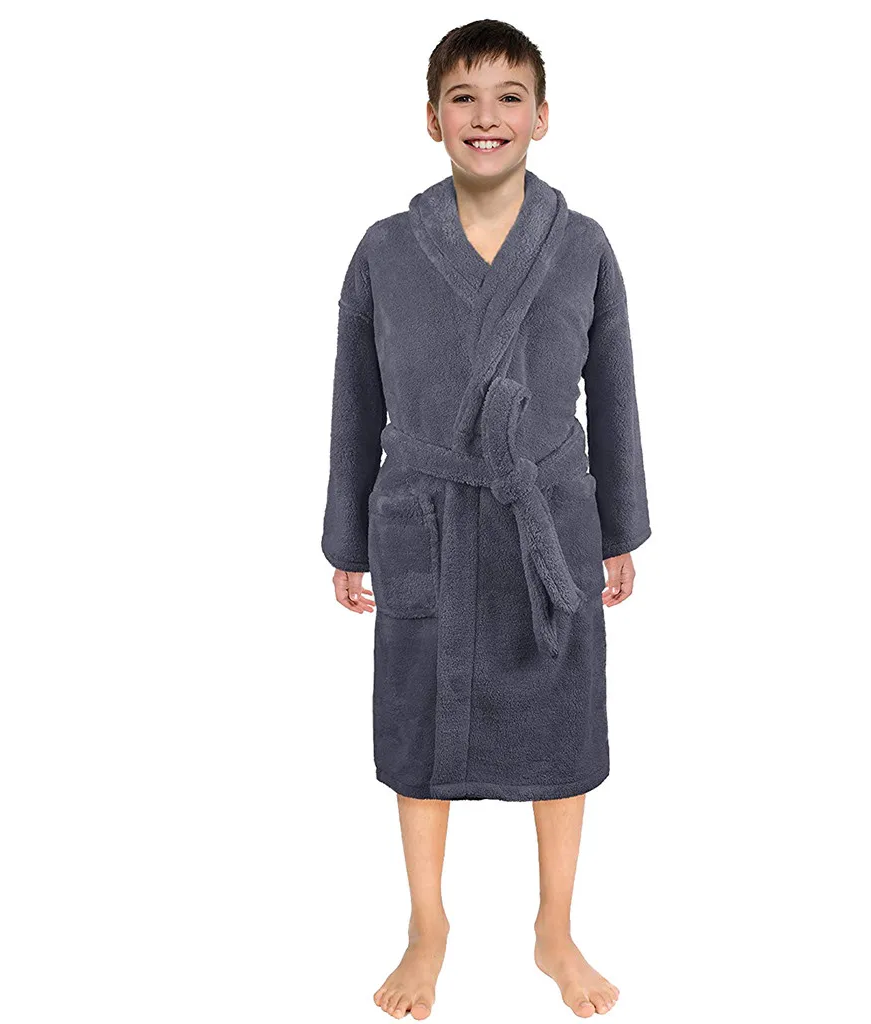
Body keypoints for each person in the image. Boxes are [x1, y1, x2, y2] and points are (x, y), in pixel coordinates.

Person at [321, 19, 650, 1019]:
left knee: (562, 720)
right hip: (423, 514)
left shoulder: (582, 246)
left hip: (547, 516)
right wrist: (347, 539)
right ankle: (427, 923)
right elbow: (354, 401)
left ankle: (555, 926)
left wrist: (618, 528)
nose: (486, 115)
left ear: (542, 117)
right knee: (419, 721)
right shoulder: (385, 249)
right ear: (432, 119)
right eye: (463, 96)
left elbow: (614, 394)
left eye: (510, 95)